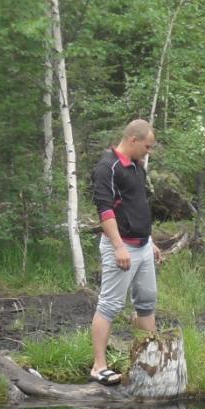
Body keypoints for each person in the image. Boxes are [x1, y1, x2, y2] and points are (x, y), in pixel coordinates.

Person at [88, 119, 163, 386]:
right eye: (147, 146)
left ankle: (151, 361)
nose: (148, 151)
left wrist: (150, 241)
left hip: (142, 247)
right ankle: (99, 367)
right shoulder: (107, 167)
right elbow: (105, 211)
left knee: (147, 302)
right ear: (133, 140)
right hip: (121, 248)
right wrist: (119, 246)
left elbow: (137, 206)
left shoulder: (137, 168)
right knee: (109, 305)